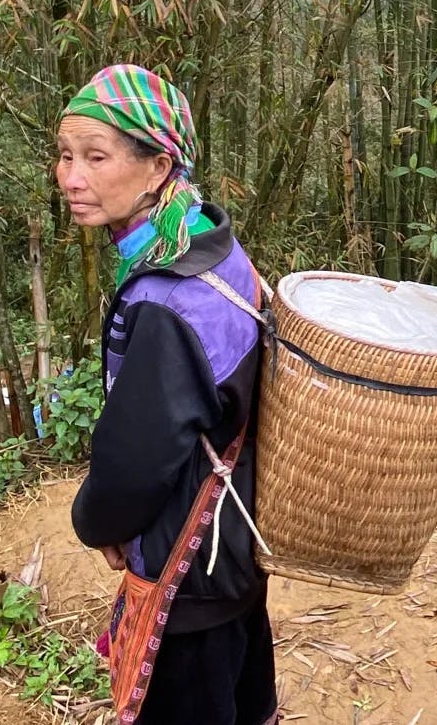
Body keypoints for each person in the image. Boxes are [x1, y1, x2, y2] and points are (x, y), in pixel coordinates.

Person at [59, 64, 277, 725]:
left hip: (189, 575)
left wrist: (98, 521)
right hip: (233, 552)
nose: (72, 178)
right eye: (65, 156)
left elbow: (138, 459)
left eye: (96, 157)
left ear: (157, 167)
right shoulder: (211, 241)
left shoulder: (167, 297)